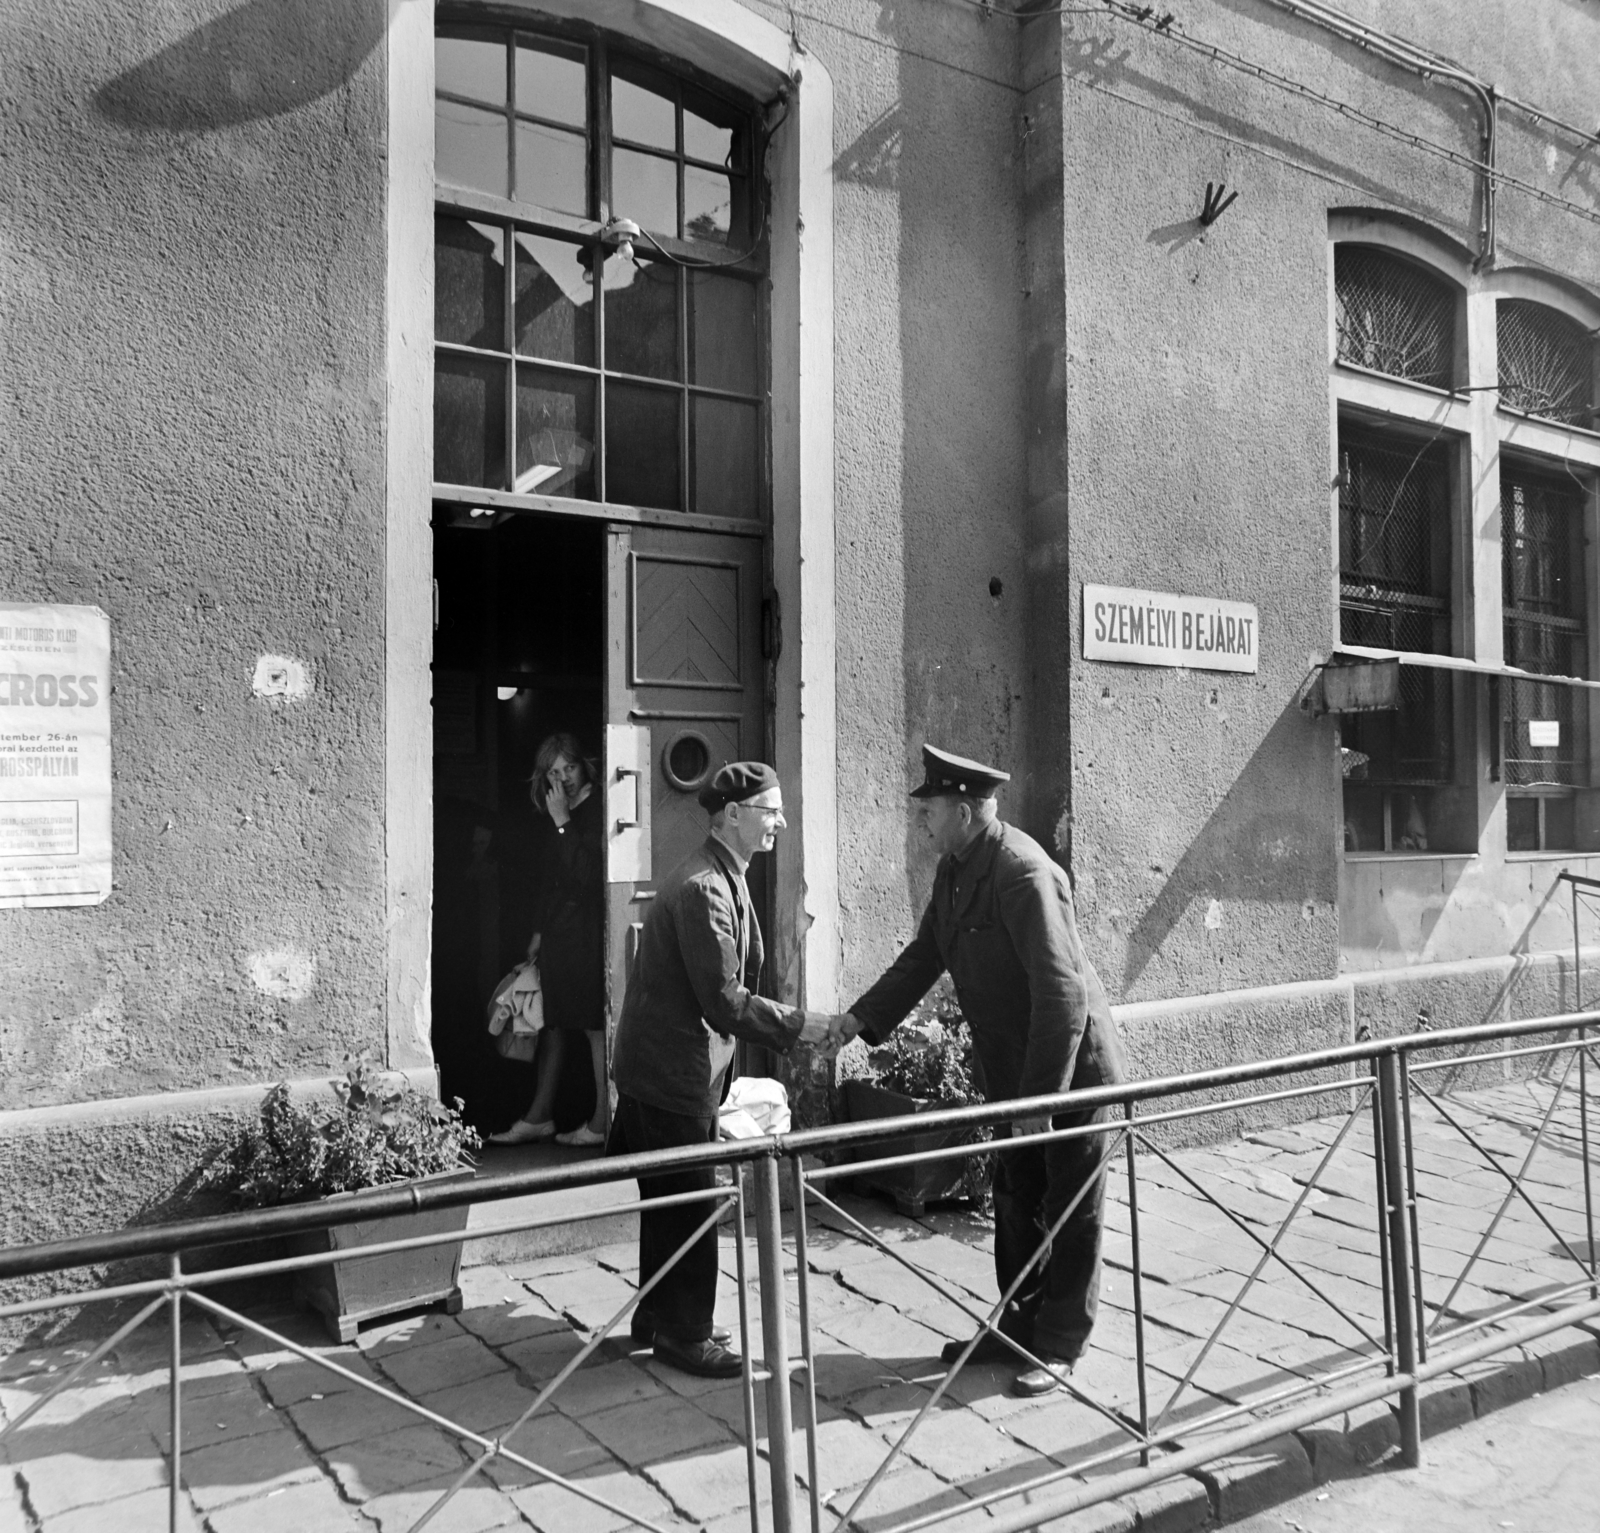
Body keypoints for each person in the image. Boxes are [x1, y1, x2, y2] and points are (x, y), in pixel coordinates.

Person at [832, 745, 1128, 1398]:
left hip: (1070, 1071)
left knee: (1070, 1202)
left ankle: (1059, 1343)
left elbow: (1063, 995)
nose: (922, 823)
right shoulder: (956, 870)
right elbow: (924, 956)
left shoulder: (1023, 872)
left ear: (964, 810)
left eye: (929, 811)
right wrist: (858, 1020)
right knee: (1018, 1195)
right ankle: (1018, 1322)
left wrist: (1039, 1101)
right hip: (1016, 1071)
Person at [608, 761, 836, 1378]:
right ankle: (685, 1335)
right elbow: (725, 999)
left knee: (668, 1197)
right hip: (670, 1075)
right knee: (689, 1201)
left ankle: (658, 1317)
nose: (780, 824)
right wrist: (803, 1027)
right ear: (732, 815)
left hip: (665, 1069)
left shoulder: (720, 872)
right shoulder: (706, 887)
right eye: (771, 812)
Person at [489, 733, 608, 1147]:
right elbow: (550, 882)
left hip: (587, 935)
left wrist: (562, 822)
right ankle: (539, 1116)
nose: (564, 778)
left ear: (583, 766)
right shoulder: (562, 811)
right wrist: (538, 932)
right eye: (555, 772)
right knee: (550, 1023)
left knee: (594, 1027)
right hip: (558, 937)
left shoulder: (596, 808)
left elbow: (585, 878)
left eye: (569, 768)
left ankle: (601, 1121)